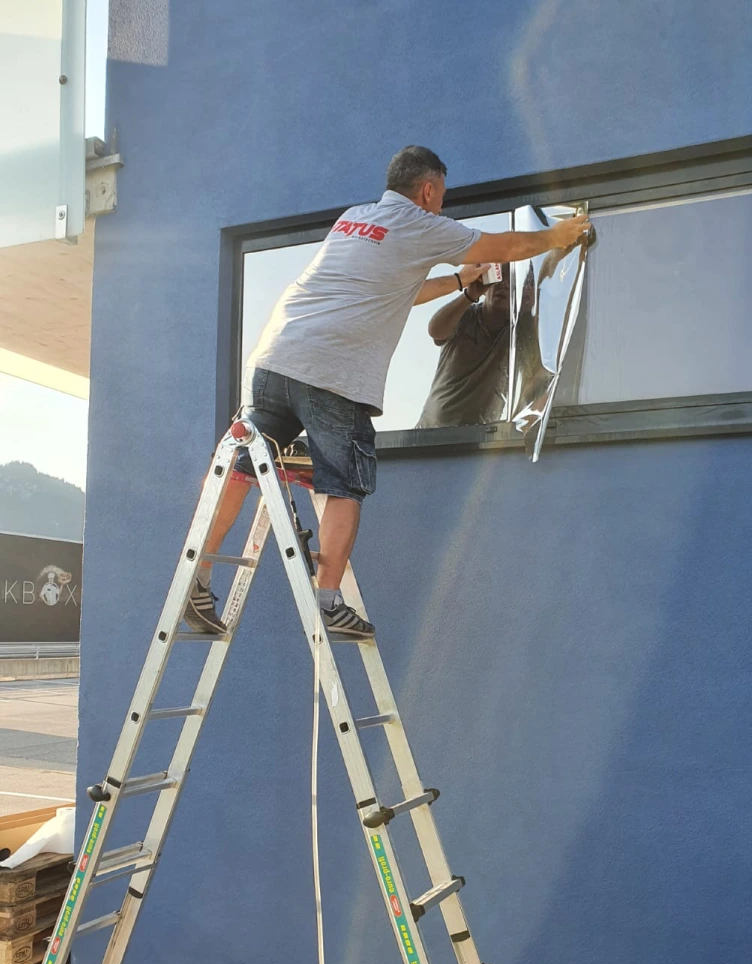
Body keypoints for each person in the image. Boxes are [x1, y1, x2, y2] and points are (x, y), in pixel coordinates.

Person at [186, 145, 591, 639]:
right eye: (441, 197)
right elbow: (503, 247)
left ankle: (198, 579)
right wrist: (560, 236)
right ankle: (329, 602)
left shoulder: (356, 220)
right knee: (345, 482)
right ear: (428, 190)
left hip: (274, 359)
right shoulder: (420, 223)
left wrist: (461, 283)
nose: (442, 207)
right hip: (332, 374)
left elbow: (398, 291)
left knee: (242, 469)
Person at [416, 265, 510, 429]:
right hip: (432, 431)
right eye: (499, 278)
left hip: (482, 437)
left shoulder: (518, 332)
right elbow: (435, 330)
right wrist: (470, 294)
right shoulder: (466, 315)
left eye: (512, 281)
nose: (505, 285)